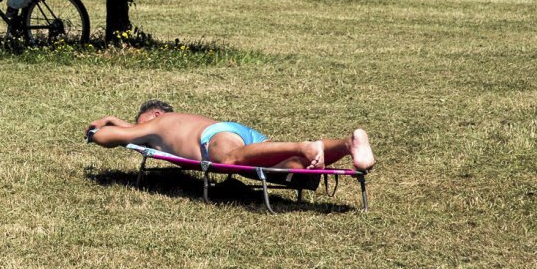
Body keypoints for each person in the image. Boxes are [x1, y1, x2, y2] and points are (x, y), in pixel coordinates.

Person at [85, 99, 374, 171]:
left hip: (215, 138)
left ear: (156, 114)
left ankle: (304, 145)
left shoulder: (157, 124)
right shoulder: (180, 121)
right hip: (235, 131)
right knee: (288, 165)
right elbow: (128, 132)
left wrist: (98, 131)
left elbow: (114, 137)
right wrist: (113, 119)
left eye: (140, 124)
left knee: (230, 159)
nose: (140, 132)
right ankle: (349, 144)